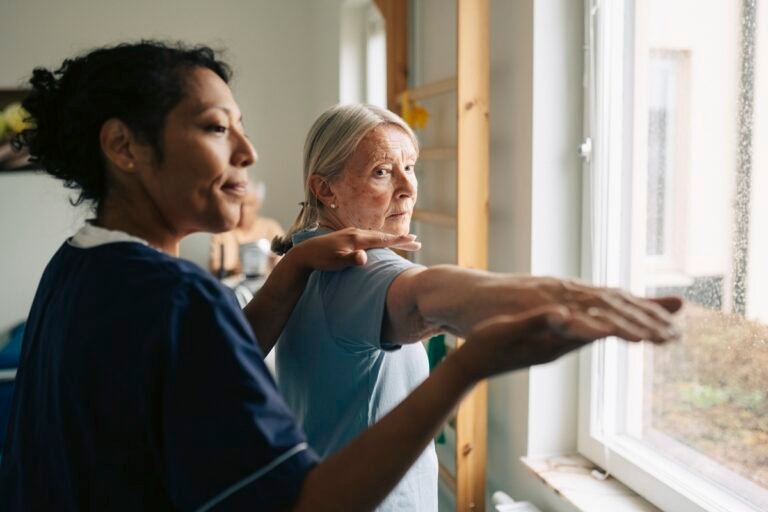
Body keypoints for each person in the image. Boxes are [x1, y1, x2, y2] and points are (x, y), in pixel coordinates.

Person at [0, 42, 679, 512]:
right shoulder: (183, 294)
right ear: (124, 147)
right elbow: (305, 501)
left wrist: (291, 266)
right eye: (215, 127)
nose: (247, 150)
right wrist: (467, 370)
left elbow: (201, 357)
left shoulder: (79, 267)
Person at [271, 104, 683, 511]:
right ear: (325, 189)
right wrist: (564, 294)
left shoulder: (299, 261)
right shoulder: (356, 269)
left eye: (410, 167)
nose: (408, 187)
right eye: (381, 171)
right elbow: (426, 295)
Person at [209, 180, 285, 277]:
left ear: (258, 205)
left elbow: (284, 263)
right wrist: (233, 271)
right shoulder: (222, 231)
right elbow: (215, 270)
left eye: (248, 204)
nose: (243, 210)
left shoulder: (271, 227)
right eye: (238, 204)